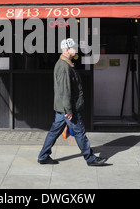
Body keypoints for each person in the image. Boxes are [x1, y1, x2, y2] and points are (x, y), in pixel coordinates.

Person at [38, 38, 107, 166]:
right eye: (74, 48)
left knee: (55, 131)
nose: (76, 50)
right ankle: (90, 158)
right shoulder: (64, 67)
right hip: (69, 108)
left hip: (62, 107)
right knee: (80, 132)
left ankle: (43, 156)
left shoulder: (65, 63)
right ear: (67, 50)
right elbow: (65, 90)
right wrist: (69, 110)